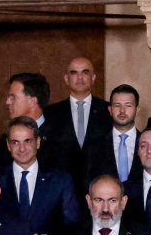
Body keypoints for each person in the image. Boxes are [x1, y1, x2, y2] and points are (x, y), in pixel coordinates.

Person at [43, 56, 109, 189]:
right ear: (66, 79)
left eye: (85, 72)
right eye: (74, 73)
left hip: (100, 189)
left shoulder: (108, 111)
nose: (80, 77)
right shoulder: (50, 113)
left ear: (93, 78)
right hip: (61, 189)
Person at [0, 72, 71, 175]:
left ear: (33, 101)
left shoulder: (60, 140)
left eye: (13, 97)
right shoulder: (5, 139)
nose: (7, 102)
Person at [84, 84, 143, 186]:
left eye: (128, 105)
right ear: (110, 110)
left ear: (137, 110)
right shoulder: (93, 146)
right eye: (117, 105)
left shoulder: (147, 143)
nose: (122, 111)